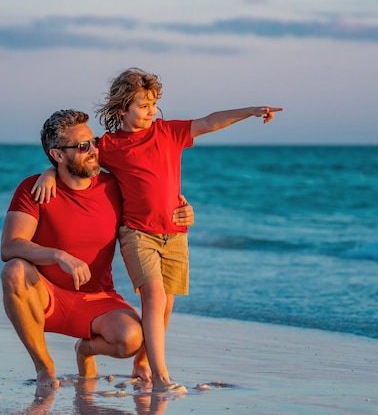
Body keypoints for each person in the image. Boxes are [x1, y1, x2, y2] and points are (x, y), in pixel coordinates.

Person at [33, 67, 283, 392]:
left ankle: (142, 364)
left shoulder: (169, 132)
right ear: (123, 108)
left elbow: (210, 121)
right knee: (154, 294)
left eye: (154, 104)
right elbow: (77, 157)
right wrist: (48, 174)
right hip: (137, 233)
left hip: (176, 234)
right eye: (143, 104)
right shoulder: (108, 145)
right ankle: (162, 377)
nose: (151, 111)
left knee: (165, 305)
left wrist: (249, 111)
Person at [0, 109, 194, 390]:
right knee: (14, 270)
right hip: (47, 298)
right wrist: (58, 255)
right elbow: (10, 246)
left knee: (131, 338)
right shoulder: (34, 188)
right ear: (57, 155)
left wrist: (184, 211)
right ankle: (45, 368)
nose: (93, 150)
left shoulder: (114, 187)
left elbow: (154, 204)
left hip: (98, 300)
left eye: (93, 142)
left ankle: (85, 349)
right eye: (82, 147)